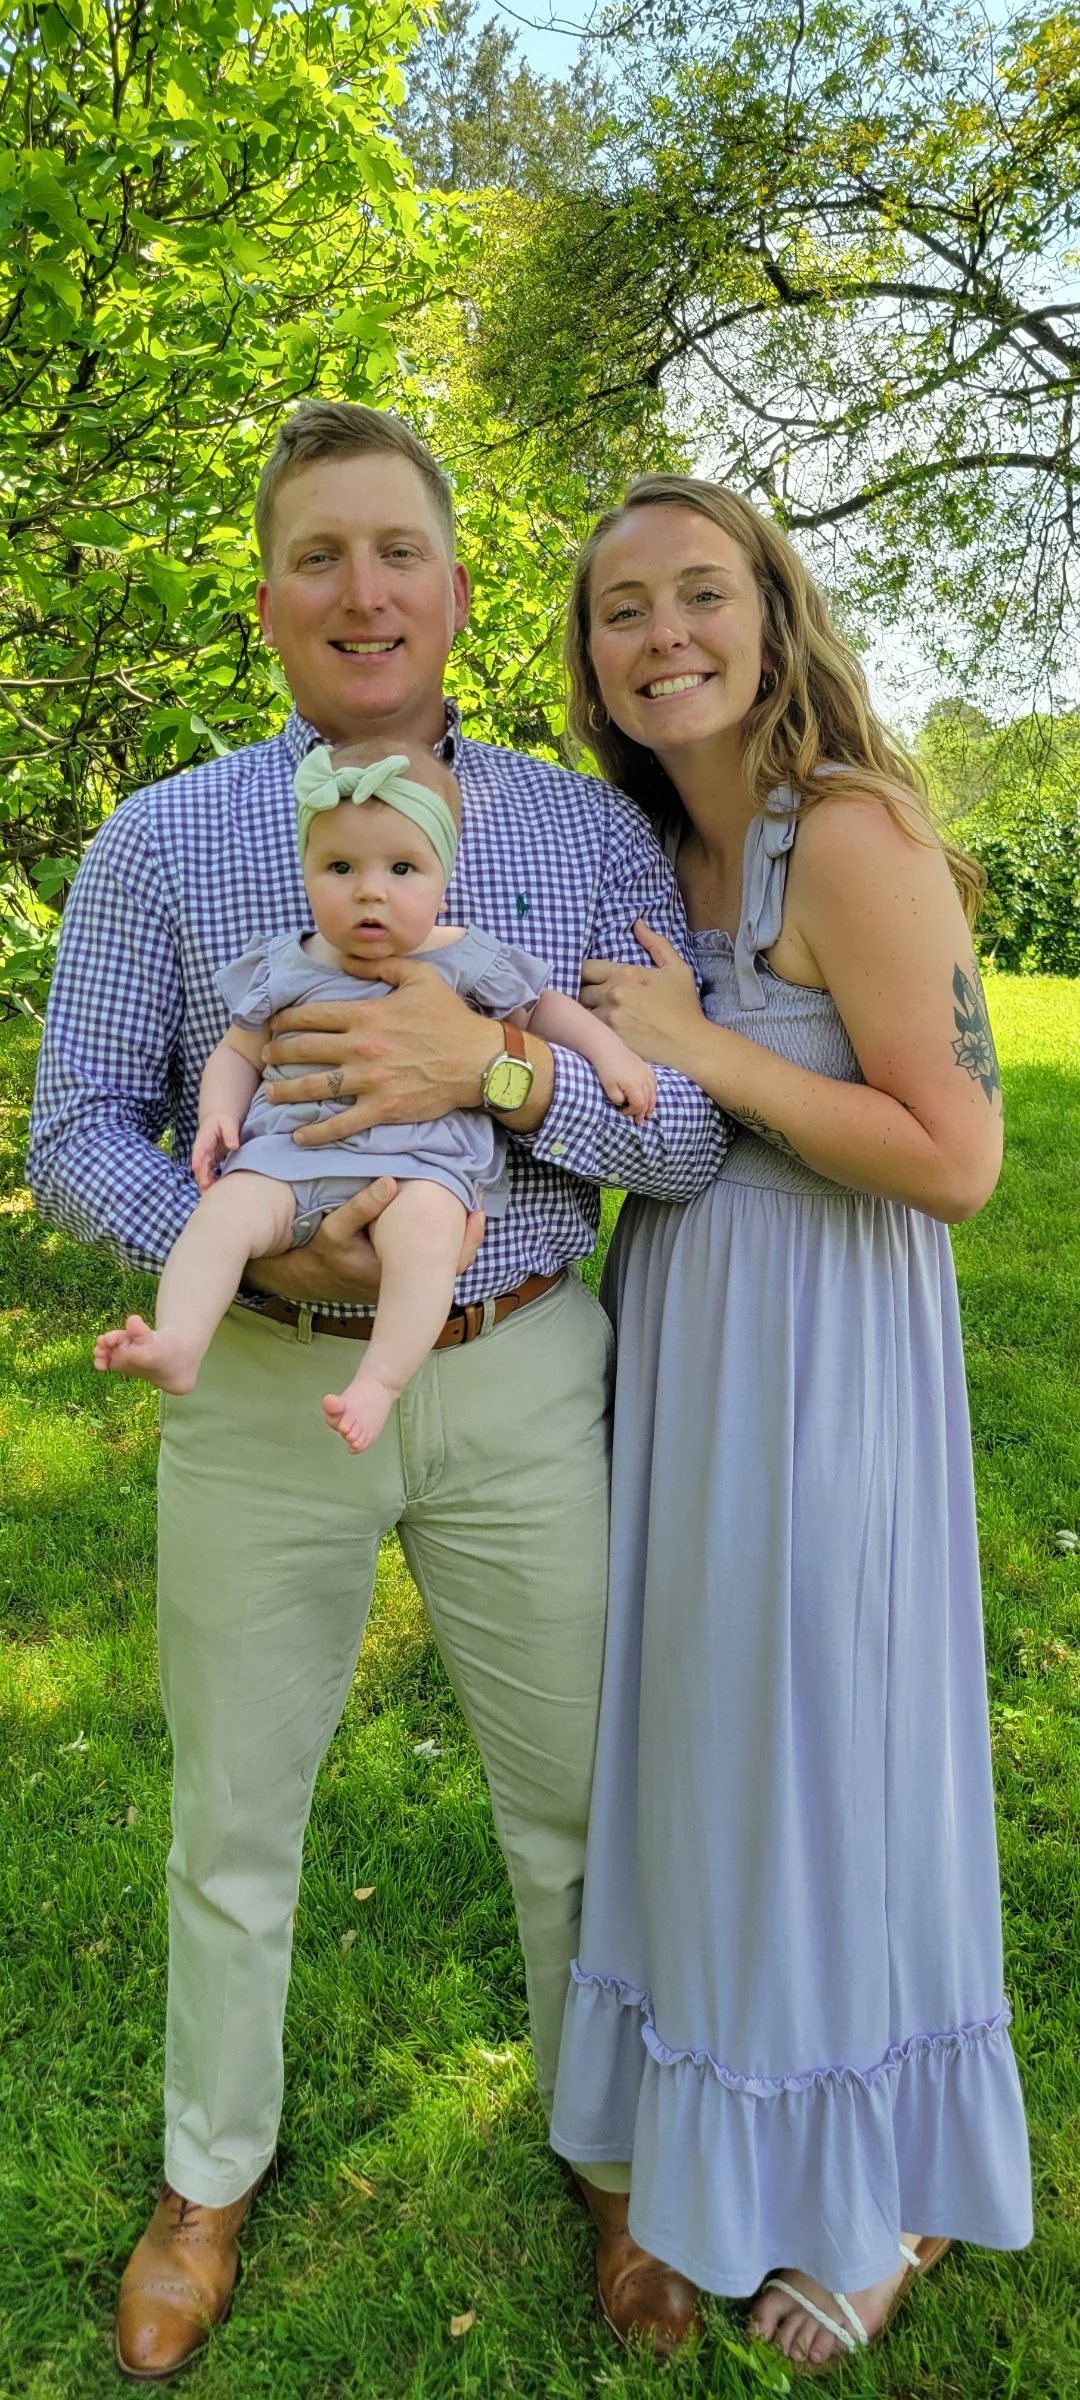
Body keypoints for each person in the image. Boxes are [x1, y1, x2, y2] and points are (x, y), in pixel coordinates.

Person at [27, 407, 724, 2382]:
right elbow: (77, 1125)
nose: (361, 592)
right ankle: (205, 2176)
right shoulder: (166, 838)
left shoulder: (579, 841)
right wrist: (242, 1229)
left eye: (395, 551)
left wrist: (494, 1080)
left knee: (579, 1807)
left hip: (519, 1374)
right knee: (232, 1816)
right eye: (318, 556)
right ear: (267, 603)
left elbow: (673, 1148)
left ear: (458, 590)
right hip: (258, 1391)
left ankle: (608, 2152)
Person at [548, 474, 1033, 2369]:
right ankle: (717, 2122)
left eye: (700, 595)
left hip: (830, 1346)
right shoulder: (641, 846)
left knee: (836, 1738)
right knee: (711, 1734)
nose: (663, 635)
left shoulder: (850, 834)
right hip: (685, 1328)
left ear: (772, 611)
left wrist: (706, 1050)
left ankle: (886, 2188)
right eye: (621, 611)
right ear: (587, 658)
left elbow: (961, 1158)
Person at [93, 737, 654, 1451]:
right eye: (340, 867)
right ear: (305, 872)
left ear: (442, 876)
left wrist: (610, 1056)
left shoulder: (462, 955)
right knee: (222, 1216)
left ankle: (381, 1380)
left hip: (417, 1168)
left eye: (401, 868)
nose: (370, 891)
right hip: (288, 1160)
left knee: (425, 1235)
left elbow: (544, 1011)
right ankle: (179, 1340)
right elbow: (238, 1051)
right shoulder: (286, 962)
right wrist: (216, 1117)